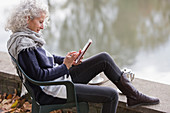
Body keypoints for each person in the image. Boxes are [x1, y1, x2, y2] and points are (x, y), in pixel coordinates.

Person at [5, 0, 159, 113]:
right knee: (111, 95)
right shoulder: (24, 45)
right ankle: (134, 95)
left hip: (57, 82)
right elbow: (39, 76)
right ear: (27, 19)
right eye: (40, 22)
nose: (42, 26)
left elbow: (47, 58)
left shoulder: (26, 38)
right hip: (53, 91)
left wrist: (68, 60)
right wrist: (65, 66)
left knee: (104, 59)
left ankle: (133, 95)